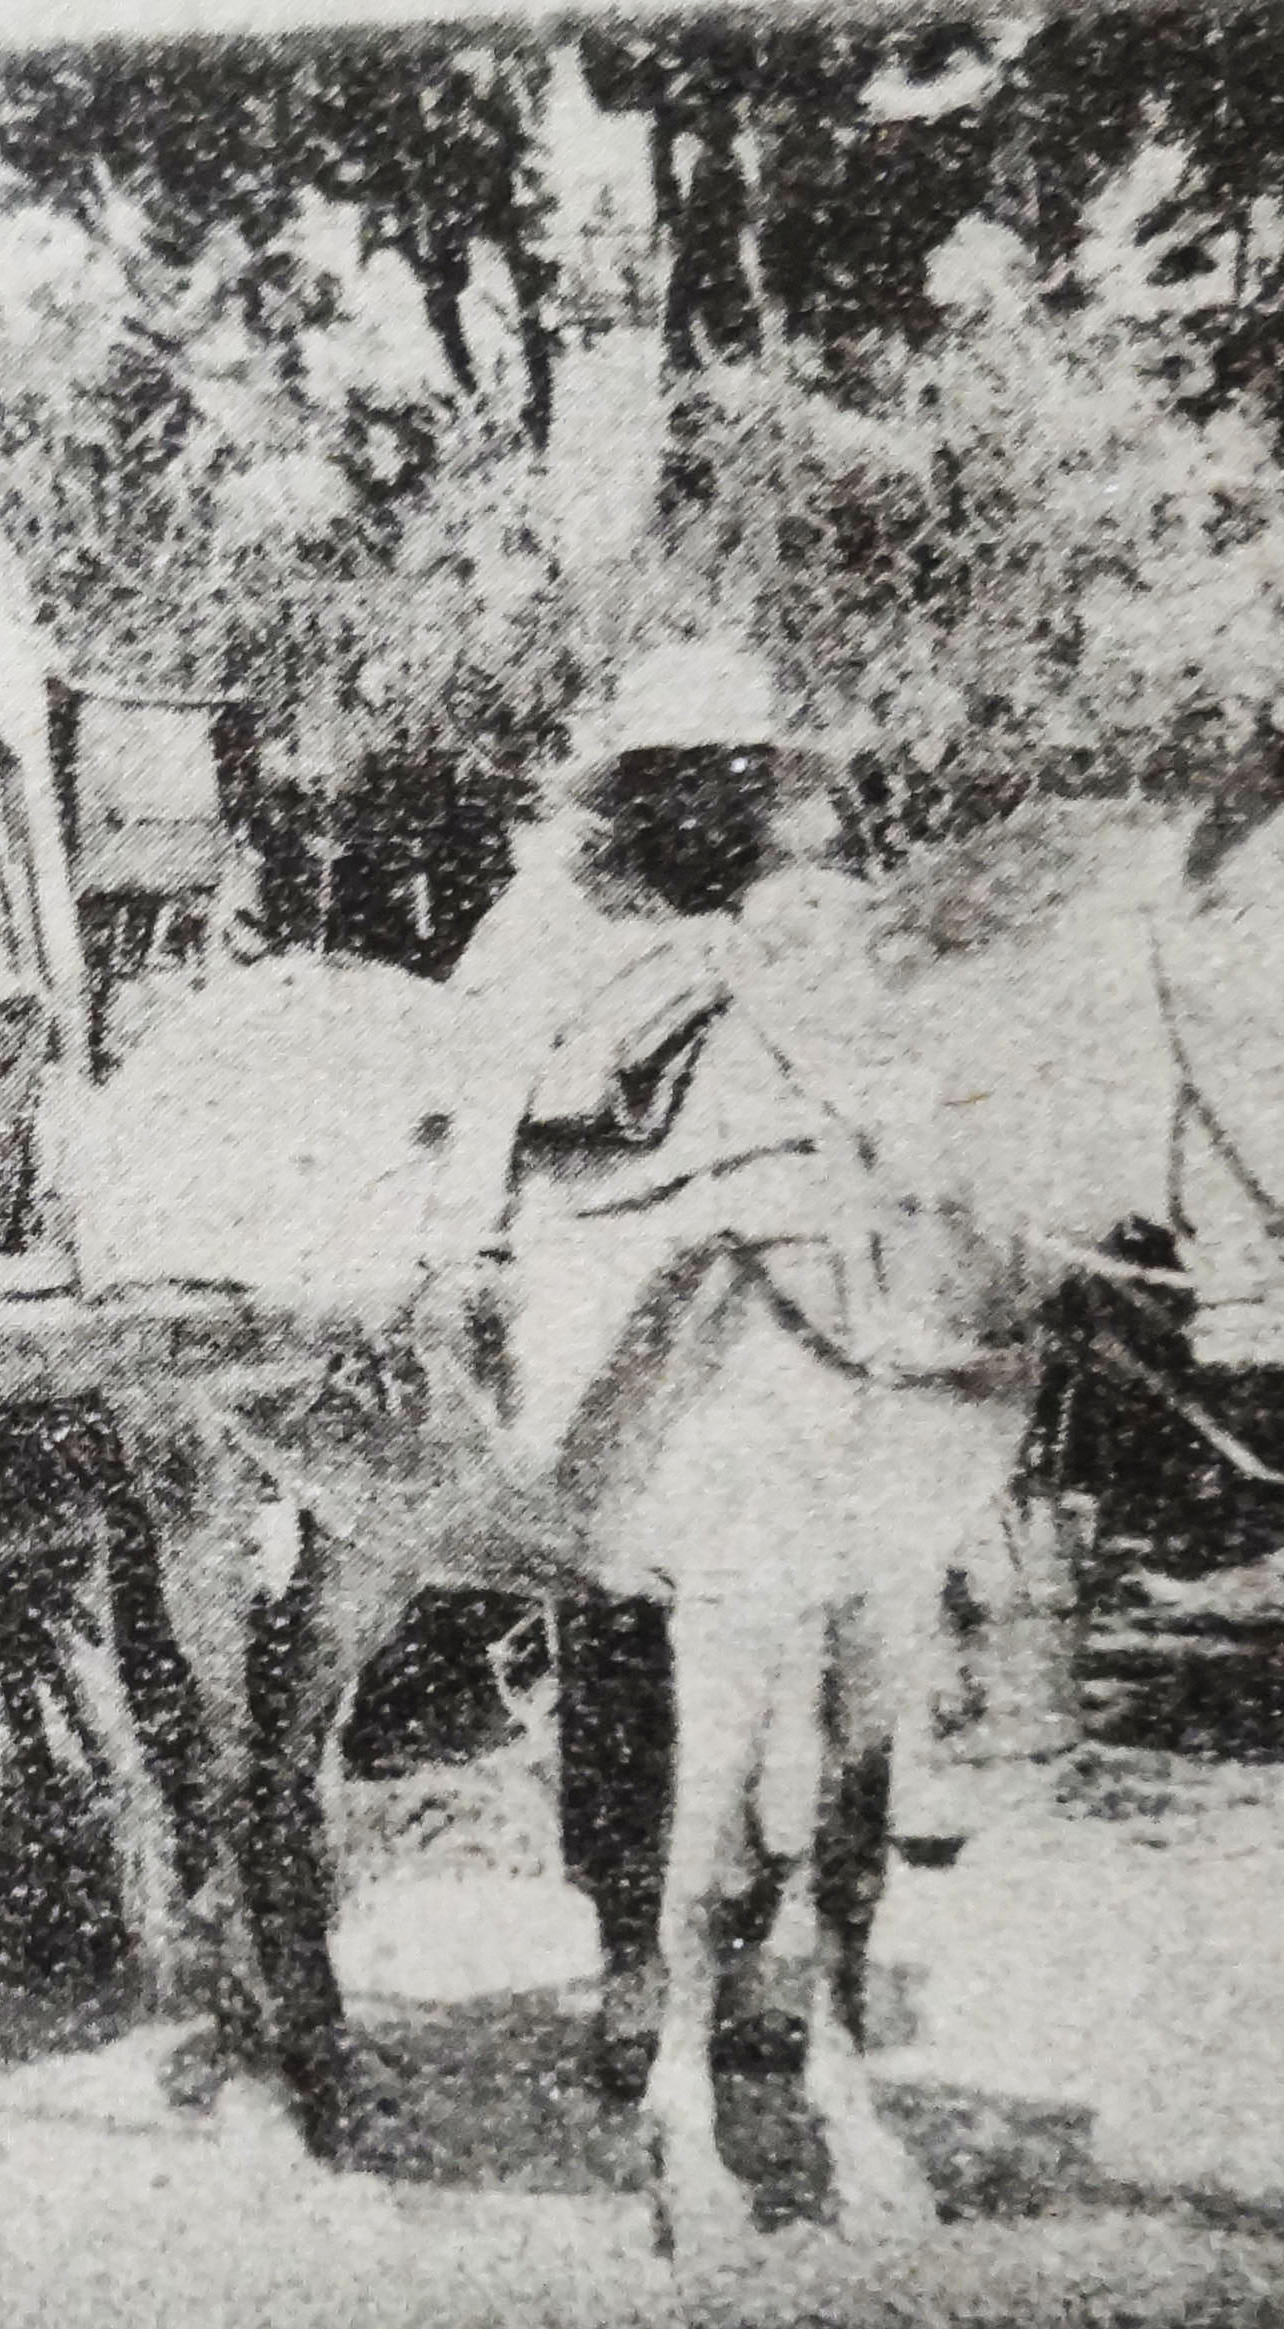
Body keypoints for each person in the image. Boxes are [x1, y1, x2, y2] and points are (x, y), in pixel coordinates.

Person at [445, 638, 849, 2087]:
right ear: (636, 787)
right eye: (685, 773)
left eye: (735, 771)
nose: (712, 797)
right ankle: (631, 1955)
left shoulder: (796, 902)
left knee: (805, 1634)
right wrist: (675, 994)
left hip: (776, 1286)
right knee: (626, 1622)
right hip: (607, 1269)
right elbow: (504, 1091)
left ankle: (747, 1945)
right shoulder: (558, 909)